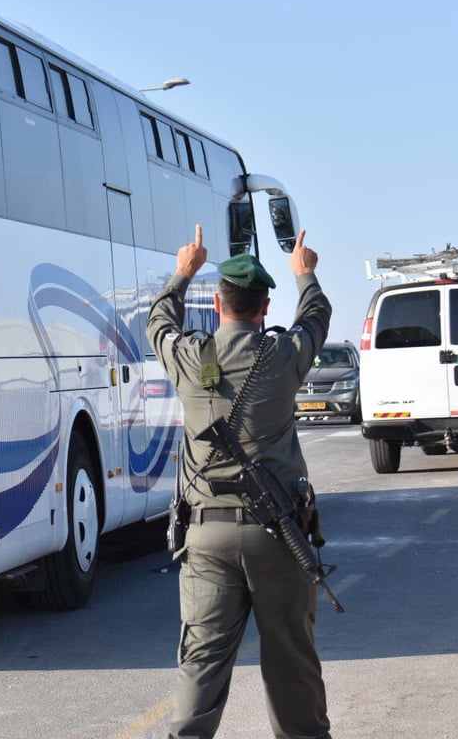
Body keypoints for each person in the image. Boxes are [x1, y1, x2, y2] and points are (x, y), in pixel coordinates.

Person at [146, 225, 332, 739]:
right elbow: (317, 316)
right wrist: (305, 273)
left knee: (201, 663)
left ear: (216, 302)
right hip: (278, 537)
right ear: (265, 307)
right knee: (292, 664)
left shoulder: (189, 358)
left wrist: (184, 270)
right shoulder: (284, 356)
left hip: (205, 538)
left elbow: (158, 322)